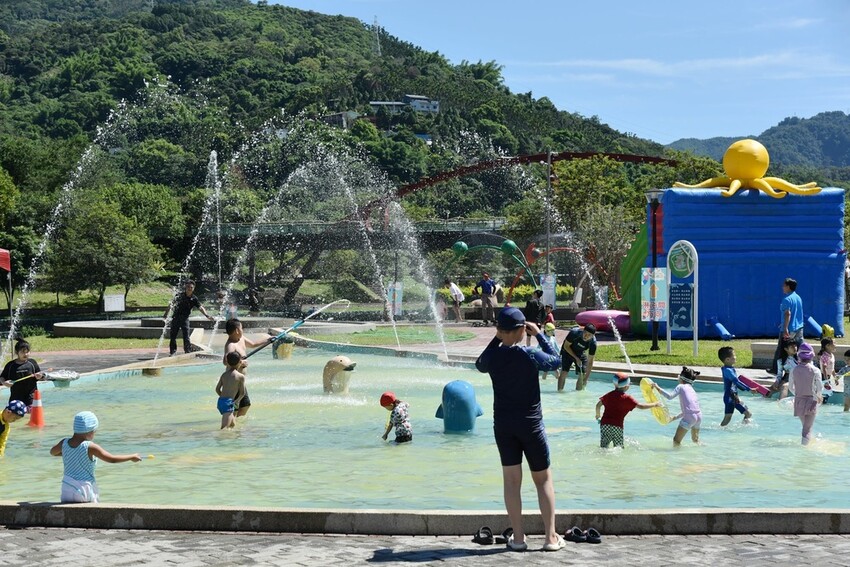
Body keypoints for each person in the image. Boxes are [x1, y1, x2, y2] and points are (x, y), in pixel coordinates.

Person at [475, 307, 564, 552]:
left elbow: (480, 364)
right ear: (521, 329)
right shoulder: (530, 354)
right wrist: (540, 335)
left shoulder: (492, 357)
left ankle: (518, 538)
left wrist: (499, 336)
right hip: (531, 425)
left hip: (504, 426)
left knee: (512, 482)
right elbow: (557, 360)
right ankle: (550, 538)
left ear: (499, 330)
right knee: (543, 480)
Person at [49, 411, 141, 503]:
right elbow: (112, 459)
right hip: (83, 488)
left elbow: (52, 452)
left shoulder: (64, 443)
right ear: (89, 431)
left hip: (66, 487)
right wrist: (132, 456)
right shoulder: (90, 447)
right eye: (94, 431)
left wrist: (70, 454)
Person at [223, 318, 273, 418]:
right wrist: (240, 362)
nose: (243, 330)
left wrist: (268, 340)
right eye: (241, 328)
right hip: (233, 381)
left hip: (240, 381)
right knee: (235, 408)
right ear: (237, 330)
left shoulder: (241, 339)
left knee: (245, 405)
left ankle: (236, 423)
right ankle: (230, 425)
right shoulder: (231, 345)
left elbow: (253, 344)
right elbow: (225, 361)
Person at [595, 373, 660, 448]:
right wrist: (655, 404)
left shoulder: (608, 395)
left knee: (604, 447)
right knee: (618, 447)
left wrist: (598, 416)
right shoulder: (627, 398)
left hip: (604, 425)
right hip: (617, 426)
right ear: (626, 386)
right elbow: (641, 406)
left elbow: (598, 405)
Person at [652, 367, 702, 446]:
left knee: (676, 441)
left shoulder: (680, 386)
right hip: (699, 416)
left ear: (681, 378)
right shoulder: (692, 389)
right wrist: (674, 418)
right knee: (695, 440)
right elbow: (690, 410)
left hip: (689, 417)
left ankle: (678, 457)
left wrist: (657, 388)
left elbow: (670, 396)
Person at [165, 280, 214, 356]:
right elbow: (171, 304)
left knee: (186, 336)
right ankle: (173, 352)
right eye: (188, 287)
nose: (189, 289)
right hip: (176, 318)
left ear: (193, 288)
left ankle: (187, 351)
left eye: (191, 287)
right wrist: (165, 314)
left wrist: (207, 315)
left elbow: (200, 307)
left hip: (185, 319)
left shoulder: (194, 298)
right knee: (173, 336)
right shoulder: (179, 295)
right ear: (185, 287)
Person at [789, 342, 823, 445]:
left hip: (798, 401)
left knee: (805, 425)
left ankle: (808, 441)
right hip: (811, 401)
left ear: (799, 356)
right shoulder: (815, 370)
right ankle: (805, 449)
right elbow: (819, 387)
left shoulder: (794, 370)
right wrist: (819, 397)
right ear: (811, 356)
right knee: (807, 428)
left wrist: (798, 393)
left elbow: (791, 387)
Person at [771, 277, 804, 375]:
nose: (782, 287)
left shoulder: (787, 299)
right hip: (799, 327)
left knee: (782, 349)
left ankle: (776, 369)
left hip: (789, 329)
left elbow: (788, 313)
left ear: (788, 287)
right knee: (797, 349)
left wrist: (785, 327)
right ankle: (799, 368)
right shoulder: (798, 297)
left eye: (784, 285)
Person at [1, 339, 45, 409]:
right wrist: (4, 383)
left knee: (32, 417)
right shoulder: (10, 365)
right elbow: (2, 377)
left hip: (31, 397)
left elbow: (41, 375)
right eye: (22, 352)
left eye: (27, 352)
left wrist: (40, 376)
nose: (26, 354)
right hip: (16, 398)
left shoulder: (32, 363)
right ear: (16, 352)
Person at [556, 324, 597, 392]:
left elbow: (590, 362)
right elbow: (566, 346)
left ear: (592, 336)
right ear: (582, 331)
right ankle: (559, 392)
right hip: (567, 351)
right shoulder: (574, 333)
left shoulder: (593, 343)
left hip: (580, 352)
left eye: (589, 335)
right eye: (585, 333)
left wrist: (586, 379)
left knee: (582, 374)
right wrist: (576, 358)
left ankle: (578, 393)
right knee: (564, 372)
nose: (586, 336)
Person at [719, 346, 753, 426]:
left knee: (747, 414)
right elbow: (737, 382)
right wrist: (749, 389)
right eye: (734, 355)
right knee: (729, 418)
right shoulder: (728, 371)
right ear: (727, 359)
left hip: (733, 397)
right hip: (730, 398)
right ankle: (743, 430)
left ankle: (743, 429)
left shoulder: (729, 369)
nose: (735, 357)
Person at [216, 352, 246, 429]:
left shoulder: (224, 374)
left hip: (221, 401)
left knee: (232, 425)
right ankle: (219, 439)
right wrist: (236, 401)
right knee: (224, 428)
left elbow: (217, 389)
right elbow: (242, 393)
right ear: (240, 362)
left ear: (227, 362)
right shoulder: (240, 376)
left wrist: (223, 397)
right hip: (229, 402)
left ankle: (233, 439)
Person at [819, 338, 836, 404]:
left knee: (827, 394)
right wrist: (826, 381)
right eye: (834, 343)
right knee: (824, 394)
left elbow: (832, 368)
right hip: (823, 377)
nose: (835, 345)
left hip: (827, 377)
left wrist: (835, 378)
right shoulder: (825, 356)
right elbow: (824, 369)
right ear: (827, 346)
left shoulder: (831, 355)